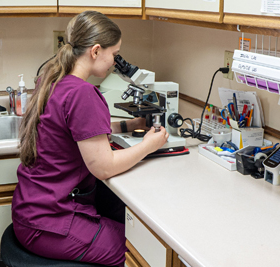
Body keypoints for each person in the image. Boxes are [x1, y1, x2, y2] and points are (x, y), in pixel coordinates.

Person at [11, 11, 169, 266]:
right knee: (143, 253)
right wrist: (148, 146)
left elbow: (74, 129)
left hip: (31, 212)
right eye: (114, 55)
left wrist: (129, 125)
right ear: (96, 51)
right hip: (53, 223)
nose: (114, 62)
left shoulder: (52, 79)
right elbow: (104, 167)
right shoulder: (83, 93)